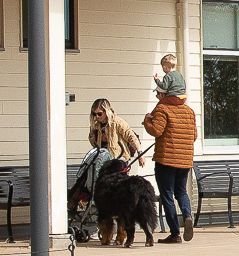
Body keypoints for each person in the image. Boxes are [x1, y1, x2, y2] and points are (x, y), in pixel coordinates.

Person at [77, 97, 145, 244]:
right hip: (104, 165)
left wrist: (140, 154)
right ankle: (105, 231)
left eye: (99, 113)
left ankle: (122, 233)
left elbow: (131, 136)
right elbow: (96, 145)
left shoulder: (117, 123)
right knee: (104, 199)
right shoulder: (97, 126)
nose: (97, 117)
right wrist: (92, 134)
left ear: (106, 111)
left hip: (119, 162)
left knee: (120, 199)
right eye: (94, 114)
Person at [143, 71, 199, 241]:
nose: (157, 96)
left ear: (165, 93)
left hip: (166, 159)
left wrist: (147, 121)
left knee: (167, 194)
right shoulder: (189, 111)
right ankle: (187, 215)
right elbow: (194, 136)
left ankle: (175, 233)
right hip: (185, 161)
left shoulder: (161, 109)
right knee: (181, 192)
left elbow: (157, 130)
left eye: (158, 93)